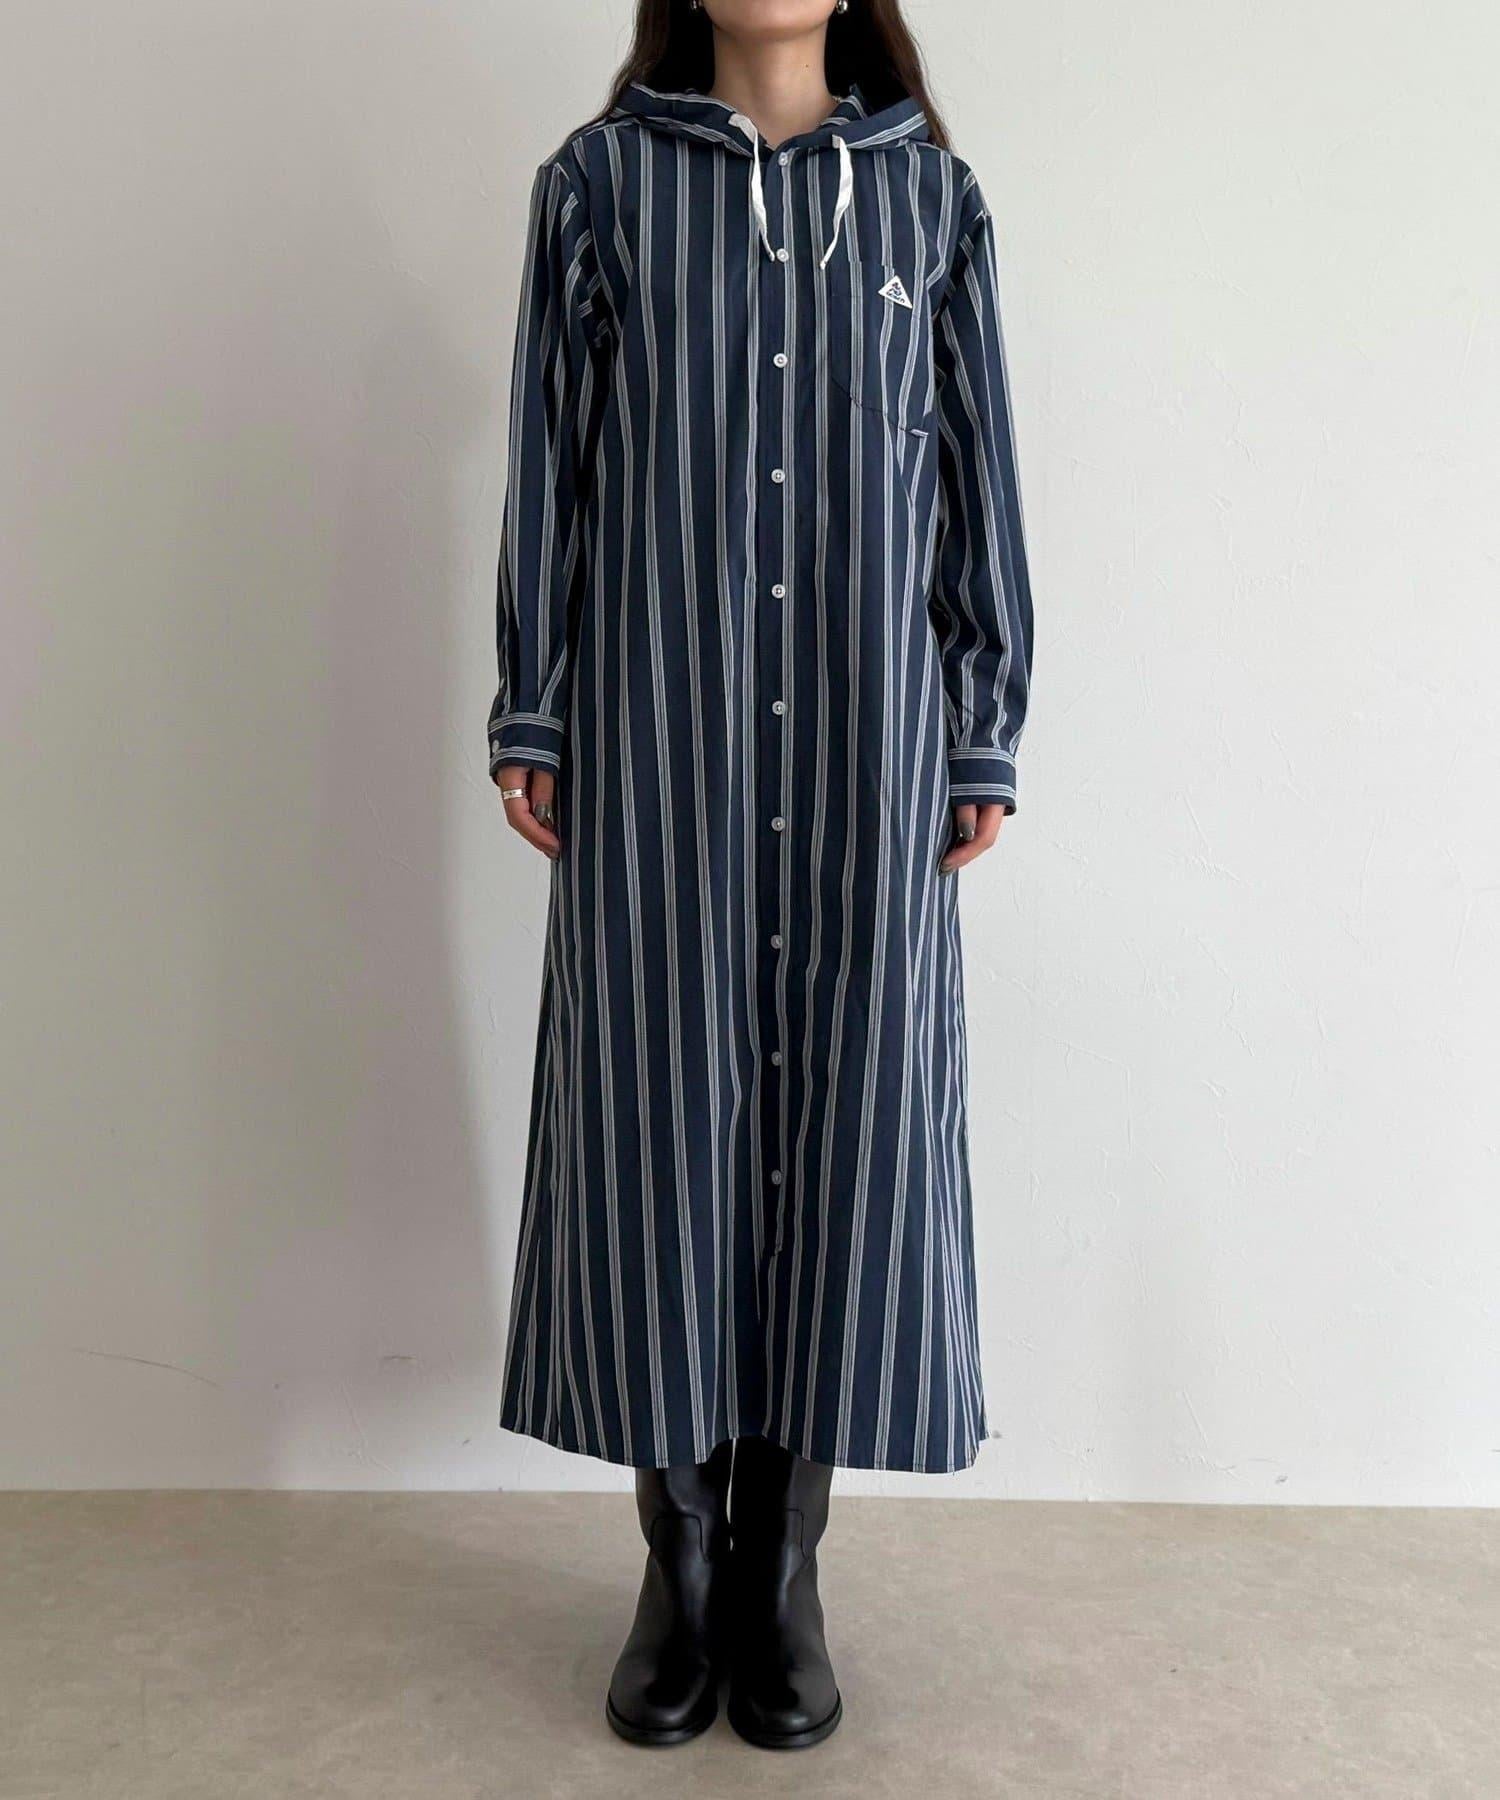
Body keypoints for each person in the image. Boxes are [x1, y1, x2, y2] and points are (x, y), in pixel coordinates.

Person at [488, 0, 1033, 1751]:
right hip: (661, 738)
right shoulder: (599, 188)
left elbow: (978, 477)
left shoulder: (931, 201)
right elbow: (555, 463)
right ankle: (677, 1560)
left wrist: (980, 723)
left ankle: (781, 1564)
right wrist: (536, 703)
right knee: (658, 1123)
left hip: (869, 747)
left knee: (851, 1127)